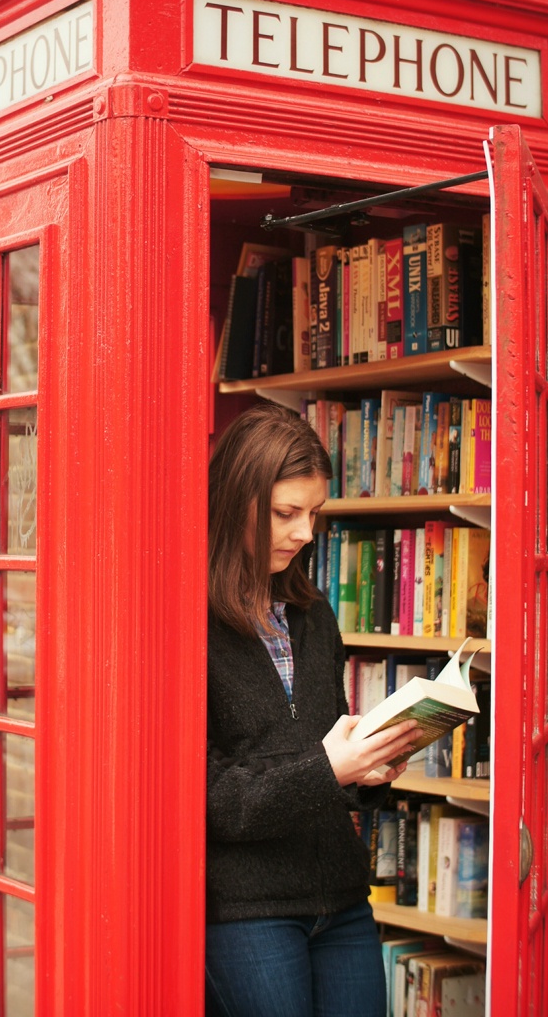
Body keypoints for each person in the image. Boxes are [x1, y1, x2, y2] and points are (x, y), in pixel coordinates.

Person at [206, 403, 421, 1017]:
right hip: (249, 911)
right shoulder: (187, 620)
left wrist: (372, 767)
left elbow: (332, 738)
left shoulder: (311, 611)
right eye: (285, 513)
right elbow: (212, 796)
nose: (305, 532)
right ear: (234, 501)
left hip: (342, 896)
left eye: (313, 514)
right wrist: (332, 768)